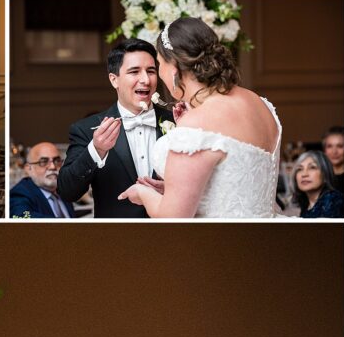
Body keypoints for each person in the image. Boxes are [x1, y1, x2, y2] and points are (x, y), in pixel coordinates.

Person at [118, 18, 281, 218]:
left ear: (174, 67)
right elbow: (236, 183)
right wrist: (176, 190)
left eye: (159, 64)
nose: (159, 74)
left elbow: (173, 219)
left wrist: (143, 194)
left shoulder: (197, 124)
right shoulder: (260, 104)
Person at [57, 39, 171, 219]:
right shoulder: (86, 129)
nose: (145, 80)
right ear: (114, 80)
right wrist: (96, 150)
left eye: (151, 71)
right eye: (134, 72)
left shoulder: (176, 122)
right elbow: (67, 191)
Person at [9, 142, 75, 218]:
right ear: (29, 169)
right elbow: (22, 217)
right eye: (43, 162)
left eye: (57, 161)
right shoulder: (20, 193)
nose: (52, 166)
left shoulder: (62, 190)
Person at [290, 150, 344, 218]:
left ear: (325, 174)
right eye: (299, 169)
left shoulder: (333, 201)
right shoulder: (306, 204)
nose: (304, 174)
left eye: (312, 167)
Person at [322, 125, 344, 194]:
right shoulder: (319, 177)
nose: (334, 152)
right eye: (329, 146)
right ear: (324, 150)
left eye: (340, 146)